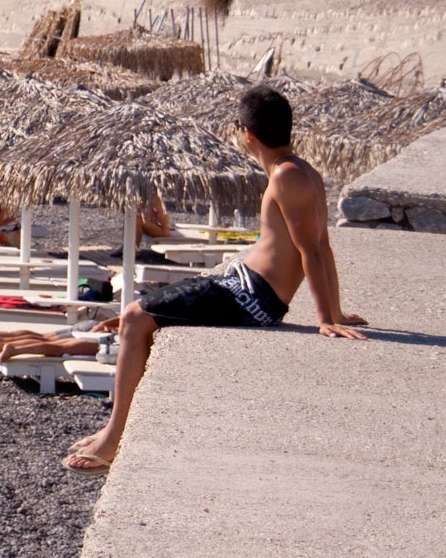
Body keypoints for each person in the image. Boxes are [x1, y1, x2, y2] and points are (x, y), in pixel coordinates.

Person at [63, 84, 367, 476]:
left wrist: (327, 318)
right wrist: (336, 310)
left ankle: (113, 441)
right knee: (132, 315)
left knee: (137, 316)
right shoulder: (302, 171)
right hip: (241, 284)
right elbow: (323, 245)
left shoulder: (287, 179)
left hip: (250, 297)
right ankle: (112, 426)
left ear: (247, 134)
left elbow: (312, 249)